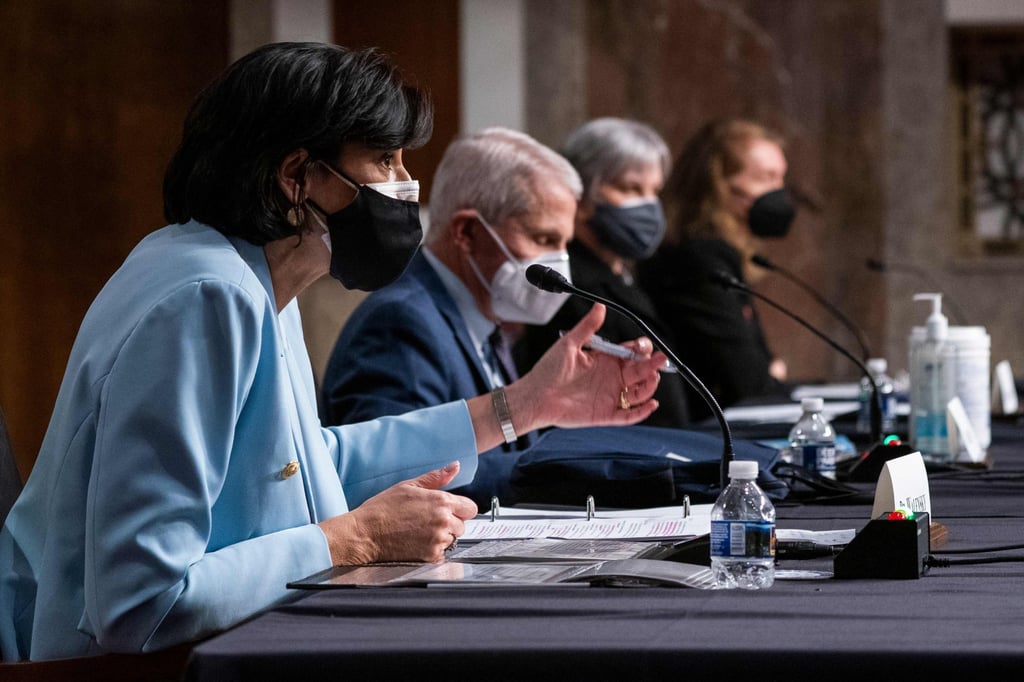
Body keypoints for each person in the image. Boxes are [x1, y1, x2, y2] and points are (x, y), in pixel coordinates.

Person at [0, 43, 666, 662]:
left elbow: (311, 463)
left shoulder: (249, 275)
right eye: (385, 161)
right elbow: (140, 603)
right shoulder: (206, 296)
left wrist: (521, 407)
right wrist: (358, 539)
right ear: (298, 176)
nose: (407, 185)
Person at [321, 126, 640, 508]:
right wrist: (576, 473)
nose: (560, 262)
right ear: (468, 232)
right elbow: (399, 482)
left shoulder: (485, 322)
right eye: (543, 239)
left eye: (563, 243)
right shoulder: (400, 322)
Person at [512, 117, 690, 429]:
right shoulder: (568, 285)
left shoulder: (627, 272)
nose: (648, 205)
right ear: (581, 197)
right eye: (631, 188)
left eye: (654, 191)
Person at [638, 117, 796, 420]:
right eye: (766, 178)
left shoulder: (717, 253)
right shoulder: (699, 259)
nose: (779, 193)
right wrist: (769, 371)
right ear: (720, 184)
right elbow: (750, 382)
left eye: (781, 179)